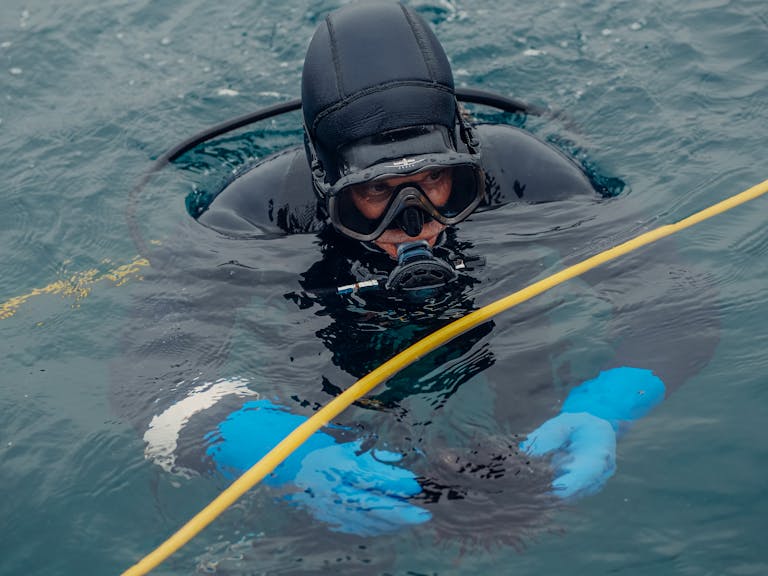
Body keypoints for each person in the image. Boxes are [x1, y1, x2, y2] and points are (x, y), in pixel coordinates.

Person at [115, 1, 719, 545]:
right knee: (329, 520)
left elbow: (674, 300)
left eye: (435, 180)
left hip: (496, 319)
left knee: (528, 470)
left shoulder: (523, 170)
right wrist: (270, 449)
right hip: (327, 329)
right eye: (377, 192)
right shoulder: (255, 214)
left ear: (465, 146)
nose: (417, 221)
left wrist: (608, 405)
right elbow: (151, 372)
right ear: (327, 181)